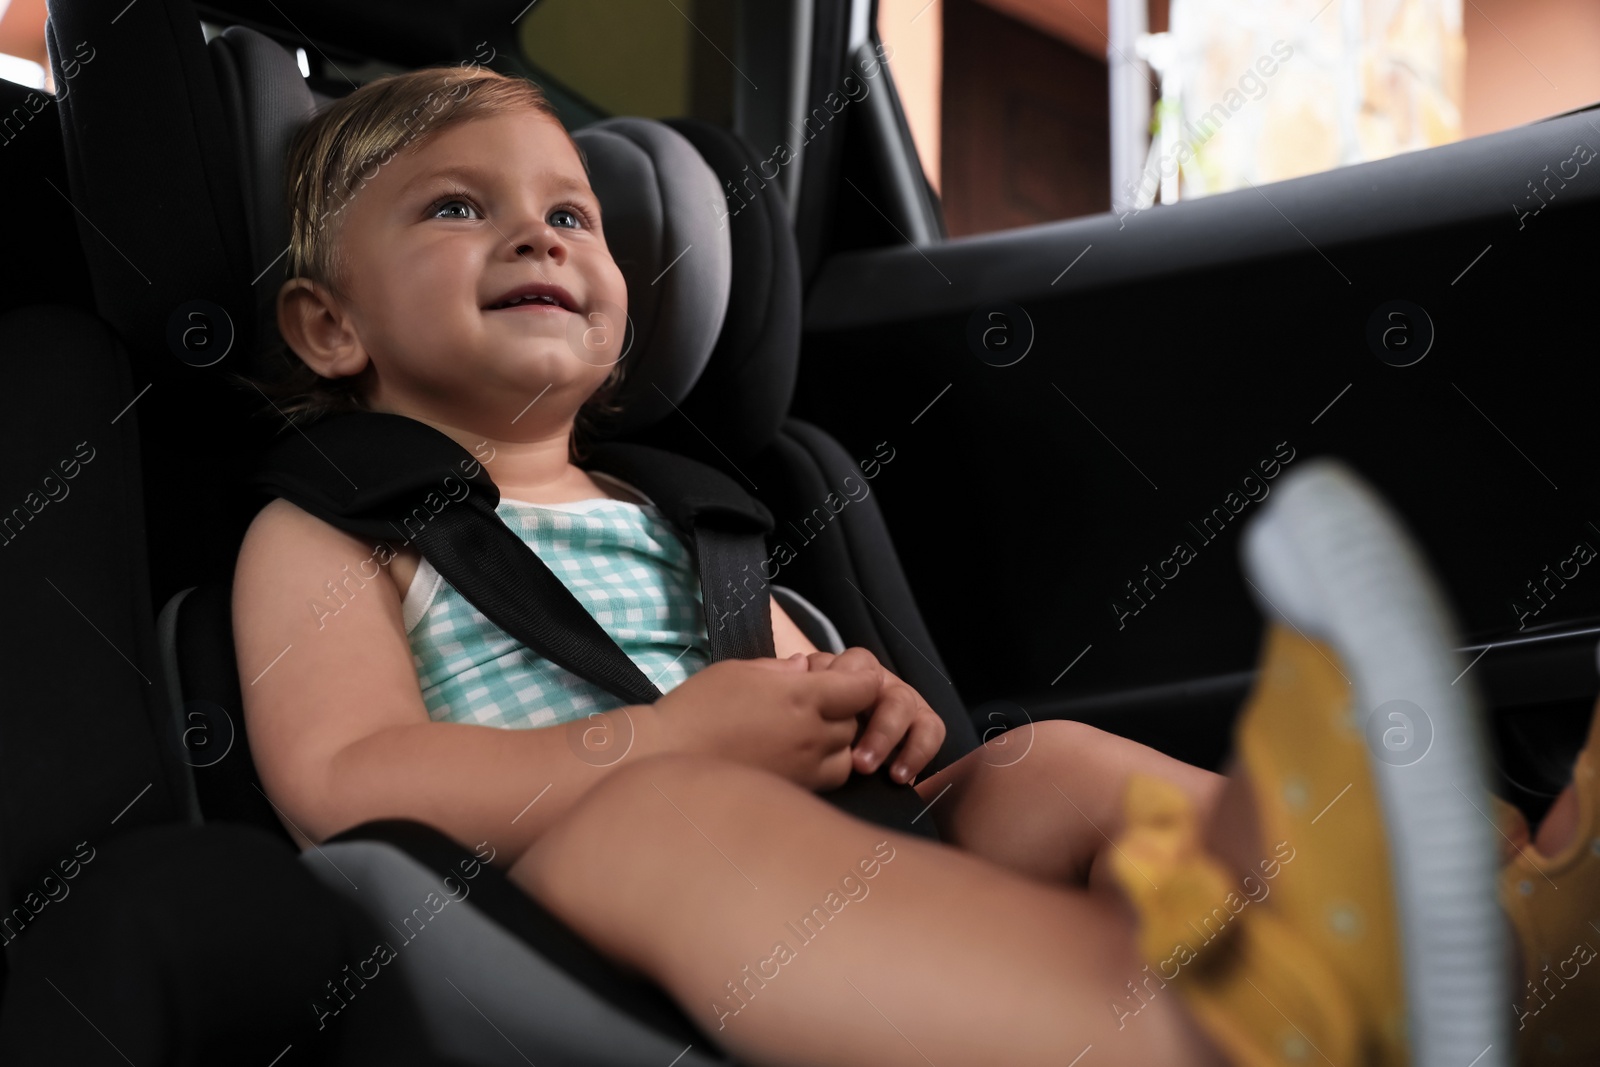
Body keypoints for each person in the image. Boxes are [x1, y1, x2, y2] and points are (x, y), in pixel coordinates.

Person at [232, 65, 1598, 1065]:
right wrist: (652, 747)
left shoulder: (694, 521)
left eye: (575, 217)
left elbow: (790, 711)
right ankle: (1212, 1029)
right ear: (329, 324)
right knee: (674, 819)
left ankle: (1481, 917)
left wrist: (857, 710)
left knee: (1037, 764)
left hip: (830, 863)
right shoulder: (333, 528)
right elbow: (341, 781)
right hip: (548, 896)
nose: (539, 235)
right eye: (458, 208)